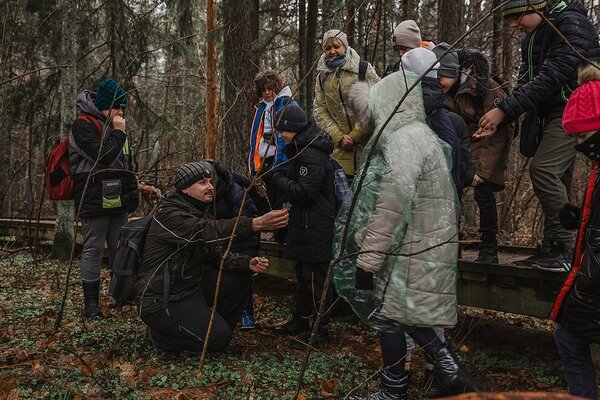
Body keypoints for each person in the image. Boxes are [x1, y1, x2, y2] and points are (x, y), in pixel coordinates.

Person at [335, 65, 481, 399]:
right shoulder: (419, 133)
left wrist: (367, 262)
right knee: (407, 316)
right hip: (424, 242)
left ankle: (395, 390)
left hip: (412, 247)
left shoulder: (404, 141)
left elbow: (391, 206)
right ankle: (450, 375)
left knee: (391, 317)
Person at [475, 0, 600, 271]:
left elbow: (552, 76)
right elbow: (527, 79)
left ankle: (568, 248)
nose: (512, 25)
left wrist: (503, 110)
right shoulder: (533, 36)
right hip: (549, 113)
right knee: (559, 178)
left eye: (517, 17)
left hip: (573, 108)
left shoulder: (570, 23)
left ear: (536, 7)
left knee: (543, 170)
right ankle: (553, 248)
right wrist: (505, 114)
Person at [136, 161, 288, 355]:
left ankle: (204, 328)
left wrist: (245, 262)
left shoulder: (197, 209)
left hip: (189, 288)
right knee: (218, 338)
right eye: (202, 182)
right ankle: (164, 339)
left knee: (239, 279)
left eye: (210, 181)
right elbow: (205, 232)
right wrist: (254, 223)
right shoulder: (170, 215)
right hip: (163, 300)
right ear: (184, 189)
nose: (210, 187)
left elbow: (212, 253)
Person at [434, 43, 513, 264]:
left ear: (454, 72)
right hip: (462, 144)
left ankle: (489, 249)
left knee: (484, 192)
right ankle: (452, 246)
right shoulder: (442, 93)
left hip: (490, 142)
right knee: (452, 194)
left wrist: (482, 171)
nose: (439, 82)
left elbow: (499, 133)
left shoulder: (486, 88)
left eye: (443, 77)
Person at [265, 103, 336, 348]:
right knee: (303, 278)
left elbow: (306, 192)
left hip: (316, 227)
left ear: (293, 127)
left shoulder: (311, 154)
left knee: (316, 281)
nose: (280, 135)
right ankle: (301, 319)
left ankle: (320, 331)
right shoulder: (300, 149)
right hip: (305, 226)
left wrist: (277, 178)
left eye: (282, 130)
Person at [69, 77, 139, 318]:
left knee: (122, 248)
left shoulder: (116, 127)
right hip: (93, 198)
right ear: (105, 105)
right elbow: (104, 157)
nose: (120, 112)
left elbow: (126, 166)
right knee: (94, 248)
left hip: (117, 199)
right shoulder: (82, 126)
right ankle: (91, 304)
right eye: (117, 107)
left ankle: (122, 295)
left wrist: (132, 194)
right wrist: (119, 133)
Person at [550, 63, 600, 400]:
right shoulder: (599, 167)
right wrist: (579, 221)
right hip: (590, 281)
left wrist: (588, 284)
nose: (579, 146)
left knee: (569, 338)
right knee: (568, 337)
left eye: (583, 136)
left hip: (594, 286)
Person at [314, 29, 379, 182]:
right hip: (338, 153)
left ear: (345, 46)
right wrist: (338, 137)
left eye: (336, 46)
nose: (332, 51)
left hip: (367, 148)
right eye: (327, 48)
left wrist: (355, 136)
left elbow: (376, 102)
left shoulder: (362, 69)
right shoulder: (322, 77)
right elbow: (320, 110)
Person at [212, 160, 261, 329]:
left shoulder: (237, 192)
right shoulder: (200, 191)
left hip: (241, 239)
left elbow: (248, 222)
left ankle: (246, 312)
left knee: (242, 273)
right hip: (215, 239)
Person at [248, 70, 293, 210]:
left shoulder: (286, 103)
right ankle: (278, 228)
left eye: (270, 89)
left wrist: (283, 160)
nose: (267, 93)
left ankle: (284, 229)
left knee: (284, 201)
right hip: (266, 160)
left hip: (283, 160)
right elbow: (255, 136)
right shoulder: (262, 108)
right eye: (263, 90)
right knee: (273, 198)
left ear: (276, 87)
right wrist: (255, 166)